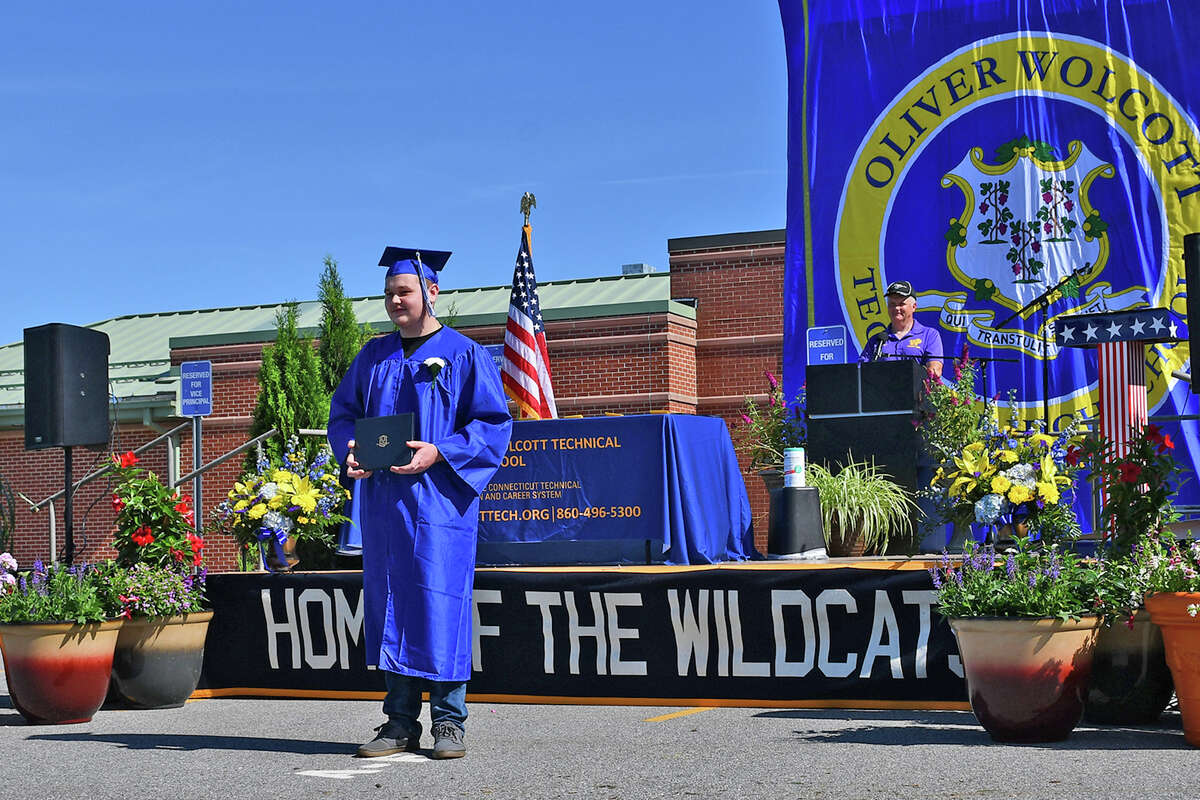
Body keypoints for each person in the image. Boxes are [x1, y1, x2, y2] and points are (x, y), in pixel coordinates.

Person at [328, 246, 513, 760]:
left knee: (440, 605)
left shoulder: (463, 354)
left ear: (431, 293)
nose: (395, 300)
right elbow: (343, 416)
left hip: (440, 505)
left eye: (404, 291)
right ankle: (398, 724)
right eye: (389, 293)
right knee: (391, 604)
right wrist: (351, 453)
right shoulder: (372, 356)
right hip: (387, 506)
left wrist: (441, 450)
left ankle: (449, 723)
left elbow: (492, 425)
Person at [858, 279, 944, 379]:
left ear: (914, 307)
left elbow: (935, 371)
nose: (896, 308)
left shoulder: (929, 335)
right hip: (881, 393)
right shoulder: (877, 340)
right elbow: (860, 374)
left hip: (918, 394)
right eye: (892, 304)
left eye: (901, 304)